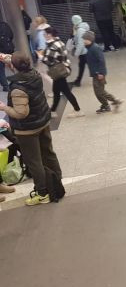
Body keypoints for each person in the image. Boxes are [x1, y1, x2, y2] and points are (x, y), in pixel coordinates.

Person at [0, 53, 63, 206]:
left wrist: (4, 108)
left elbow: (21, 113)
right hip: (42, 121)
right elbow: (19, 64)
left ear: (14, 67)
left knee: (34, 162)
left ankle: (42, 193)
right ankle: (57, 183)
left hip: (28, 130)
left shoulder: (17, 88)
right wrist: (6, 58)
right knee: (48, 153)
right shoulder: (34, 74)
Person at [41, 27, 84, 118]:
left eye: (45, 34)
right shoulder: (60, 42)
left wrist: (41, 57)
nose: (44, 36)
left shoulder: (52, 46)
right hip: (63, 69)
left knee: (66, 92)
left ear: (49, 35)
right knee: (56, 91)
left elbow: (49, 61)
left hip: (57, 71)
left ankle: (78, 110)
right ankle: (53, 110)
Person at [83, 31, 123, 114]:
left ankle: (114, 101)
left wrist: (100, 73)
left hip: (99, 74)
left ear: (89, 39)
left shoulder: (95, 48)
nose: (83, 40)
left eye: (85, 39)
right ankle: (106, 105)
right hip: (95, 73)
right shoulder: (90, 47)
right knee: (99, 91)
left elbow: (101, 61)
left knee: (99, 91)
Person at [70, 15, 91, 87]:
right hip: (85, 51)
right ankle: (78, 81)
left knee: (86, 66)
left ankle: (78, 81)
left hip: (84, 52)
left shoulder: (80, 30)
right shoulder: (81, 28)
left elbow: (80, 43)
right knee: (82, 66)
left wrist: (76, 53)